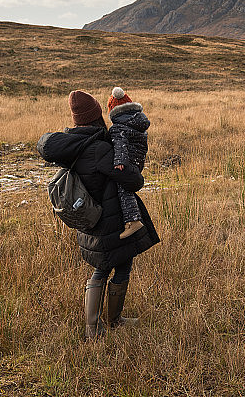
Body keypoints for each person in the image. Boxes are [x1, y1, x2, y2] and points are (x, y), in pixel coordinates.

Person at [37, 90, 160, 340]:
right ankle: (94, 329)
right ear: (96, 116)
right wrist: (135, 171)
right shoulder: (98, 149)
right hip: (108, 219)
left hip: (93, 217)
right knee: (103, 269)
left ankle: (114, 321)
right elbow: (132, 181)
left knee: (122, 264)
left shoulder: (76, 146)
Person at [106, 87, 150, 240]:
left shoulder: (118, 127)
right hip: (138, 161)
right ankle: (132, 219)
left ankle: (133, 221)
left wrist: (119, 161)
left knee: (123, 188)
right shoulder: (138, 123)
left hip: (127, 162)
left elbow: (120, 144)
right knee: (128, 187)